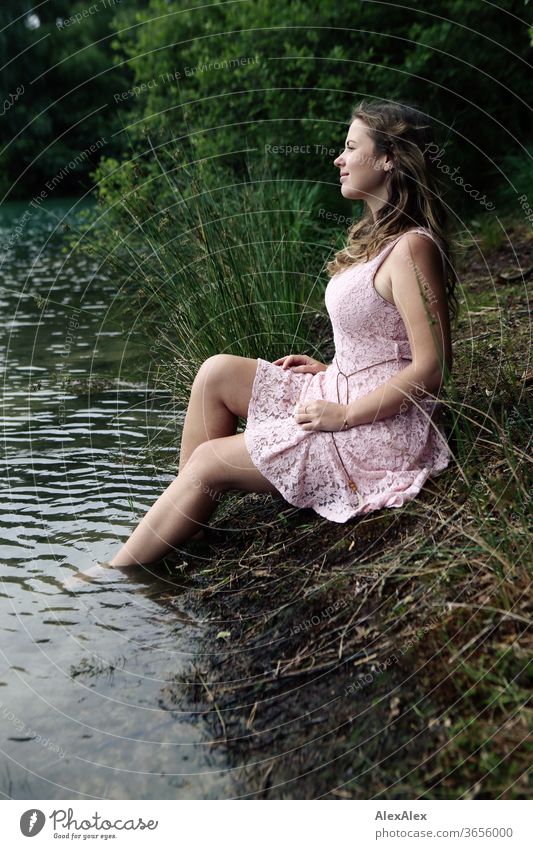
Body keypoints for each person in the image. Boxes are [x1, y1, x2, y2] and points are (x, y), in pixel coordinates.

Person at [104, 99, 457, 571]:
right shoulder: (379, 239)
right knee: (215, 373)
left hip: (378, 431)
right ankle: (184, 517)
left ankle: (112, 576)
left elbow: (432, 367)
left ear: (389, 158)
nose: (339, 158)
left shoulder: (412, 247)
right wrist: (332, 368)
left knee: (210, 460)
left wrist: (346, 414)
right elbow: (383, 339)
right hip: (342, 390)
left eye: (351, 147)